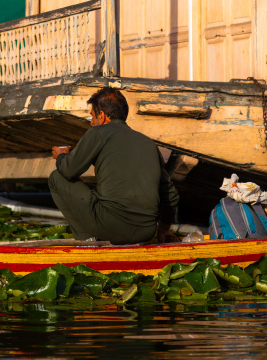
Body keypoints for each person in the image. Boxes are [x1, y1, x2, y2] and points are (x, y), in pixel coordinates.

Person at [48, 87, 179, 245]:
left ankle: (87, 241)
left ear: (101, 116)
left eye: (92, 116)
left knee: (56, 177)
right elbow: (170, 194)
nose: (91, 122)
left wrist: (62, 156)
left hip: (111, 227)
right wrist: (163, 230)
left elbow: (69, 171)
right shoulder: (148, 143)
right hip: (146, 232)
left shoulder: (97, 133)